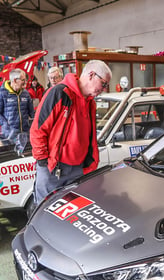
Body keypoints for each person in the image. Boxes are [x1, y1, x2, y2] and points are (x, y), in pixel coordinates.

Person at [30, 60, 111, 204]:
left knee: (71, 214)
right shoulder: (60, 93)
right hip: (53, 169)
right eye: (103, 83)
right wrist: (44, 162)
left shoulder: (90, 102)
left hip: (78, 170)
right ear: (91, 75)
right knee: (44, 212)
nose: (104, 88)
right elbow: (38, 129)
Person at [0, 68, 34, 140]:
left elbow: (32, 113)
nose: (25, 82)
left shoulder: (25, 93)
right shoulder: (2, 93)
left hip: (25, 132)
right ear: (15, 80)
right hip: (10, 135)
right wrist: (6, 125)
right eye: (23, 80)